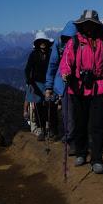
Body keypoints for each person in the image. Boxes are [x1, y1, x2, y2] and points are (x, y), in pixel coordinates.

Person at [59, 10, 103, 174]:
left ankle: (96, 159)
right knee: (80, 123)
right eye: (85, 24)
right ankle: (81, 152)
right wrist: (65, 72)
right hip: (78, 88)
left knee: (97, 126)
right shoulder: (74, 43)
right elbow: (66, 61)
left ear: (96, 26)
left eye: (91, 25)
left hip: (98, 88)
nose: (88, 27)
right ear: (81, 25)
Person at [44, 21, 78, 153]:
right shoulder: (60, 45)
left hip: (74, 84)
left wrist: (49, 86)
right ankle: (71, 142)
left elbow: (52, 67)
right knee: (69, 115)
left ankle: (73, 140)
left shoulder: (62, 43)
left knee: (72, 115)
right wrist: (48, 86)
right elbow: (52, 66)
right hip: (65, 85)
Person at [24, 31, 55, 141]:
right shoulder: (33, 54)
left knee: (50, 106)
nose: (42, 43)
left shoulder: (51, 54)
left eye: (44, 41)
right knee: (39, 107)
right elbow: (28, 69)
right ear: (38, 43)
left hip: (48, 83)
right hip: (36, 83)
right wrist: (29, 81)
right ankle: (42, 129)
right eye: (40, 41)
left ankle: (50, 129)